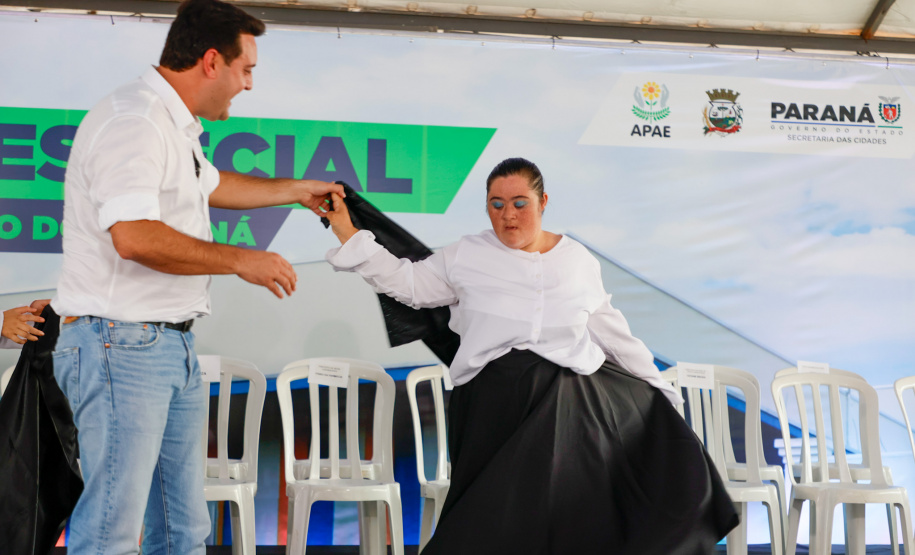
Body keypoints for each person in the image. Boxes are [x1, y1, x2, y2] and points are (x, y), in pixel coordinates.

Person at [323, 157, 737, 554]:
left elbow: (612, 332)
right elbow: (407, 284)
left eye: (520, 203)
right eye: (497, 205)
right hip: (494, 399)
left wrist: (660, 391)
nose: (508, 215)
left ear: (542, 202)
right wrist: (345, 229)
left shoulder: (576, 260)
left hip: (571, 398)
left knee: (634, 420)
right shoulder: (465, 255)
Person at [49, 1, 344, 553]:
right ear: (212, 61)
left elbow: (210, 185)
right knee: (112, 530)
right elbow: (133, 236)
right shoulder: (133, 121)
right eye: (246, 69)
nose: (249, 85)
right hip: (122, 345)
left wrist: (294, 190)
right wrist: (240, 259)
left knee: (183, 528)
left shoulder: (171, 125)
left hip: (166, 348)